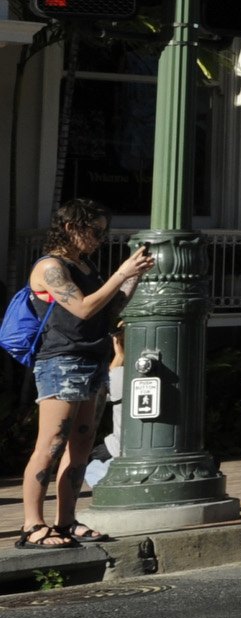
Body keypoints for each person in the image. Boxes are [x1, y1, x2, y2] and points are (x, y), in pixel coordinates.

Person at [15, 200, 152, 550]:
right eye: (94, 231)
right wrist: (121, 273)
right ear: (72, 228)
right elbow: (81, 307)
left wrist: (133, 277)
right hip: (61, 362)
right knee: (51, 444)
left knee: (79, 448)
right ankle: (32, 525)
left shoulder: (84, 264)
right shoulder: (50, 268)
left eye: (104, 232)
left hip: (92, 359)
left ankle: (66, 521)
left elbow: (108, 308)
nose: (99, 239)